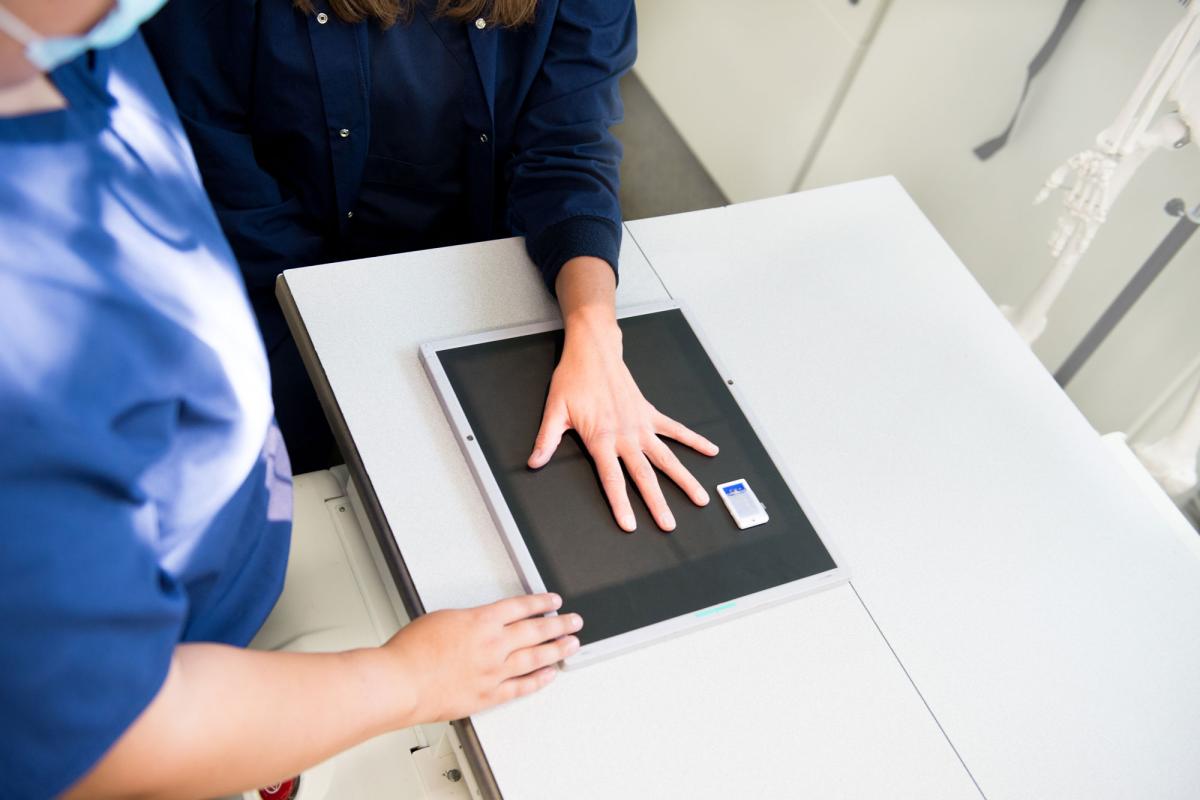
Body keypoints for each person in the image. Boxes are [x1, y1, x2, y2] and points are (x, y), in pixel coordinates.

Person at [0, 2, 580, 797]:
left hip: (224, 569)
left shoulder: (77, 45)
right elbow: (113, 736)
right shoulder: (25, 329)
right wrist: (407, 681)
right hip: (174, 675)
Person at [143, 0, 721, 533]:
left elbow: (566, 150)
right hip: (282, 276)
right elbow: (225, 179)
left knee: (527, 497)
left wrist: (594, 329)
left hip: (478, 266)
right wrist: (356, 358)